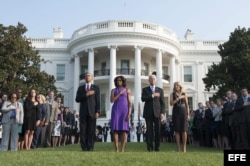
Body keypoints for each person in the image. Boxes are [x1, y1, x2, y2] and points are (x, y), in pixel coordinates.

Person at [75, 72, 100, 151]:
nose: (87, 77)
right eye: (86, 76)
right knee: (83, 130)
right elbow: (77, 99)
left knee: (91, 130)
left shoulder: (96, 88)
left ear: (92, 78)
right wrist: (86, 94)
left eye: (89, 76)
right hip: (83, 112)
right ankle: (84, 146)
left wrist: (97, 111)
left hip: (92, 112)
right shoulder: (81, 88)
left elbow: (98, 100)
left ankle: (90, 146)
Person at [141, 74, 165, 152]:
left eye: (154, 79)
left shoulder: (160, 90)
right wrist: (152, 95)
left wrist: (162, 113)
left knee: (158, 131)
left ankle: (157, 147)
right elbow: (143, 99)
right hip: (148, 113)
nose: (153, 80)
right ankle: (149, 147)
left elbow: (162, 103)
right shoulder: (145, 89)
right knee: (149, 131)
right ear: (149, 80)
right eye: (151, 79)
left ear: (156, 80)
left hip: (158, 113)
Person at [110, 75, 132, 152]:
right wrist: (119, 93)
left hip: (124, 111)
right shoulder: (113, 90)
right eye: (117, 80)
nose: (119, 82)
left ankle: (122, 149)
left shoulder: (127, 90)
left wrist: (129, 113)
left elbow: (130, 103)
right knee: (115, 130)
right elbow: (112, 100)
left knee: (124, 130)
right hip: (116, 110)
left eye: (120, 80)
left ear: (123, 81)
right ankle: (116, 148)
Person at [170, 81, 189, 152]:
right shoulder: (172, 94)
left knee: (184, 130)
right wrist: (178, 98)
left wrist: (188, 114)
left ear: (180, 86)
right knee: (177, 130)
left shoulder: (184, 94)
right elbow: (171, 103)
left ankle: (184, 148)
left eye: (177, 85)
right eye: (175, 85)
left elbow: (187, 105)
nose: (176, 87)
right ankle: (178, 148)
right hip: (176, 111)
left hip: (183, 111)